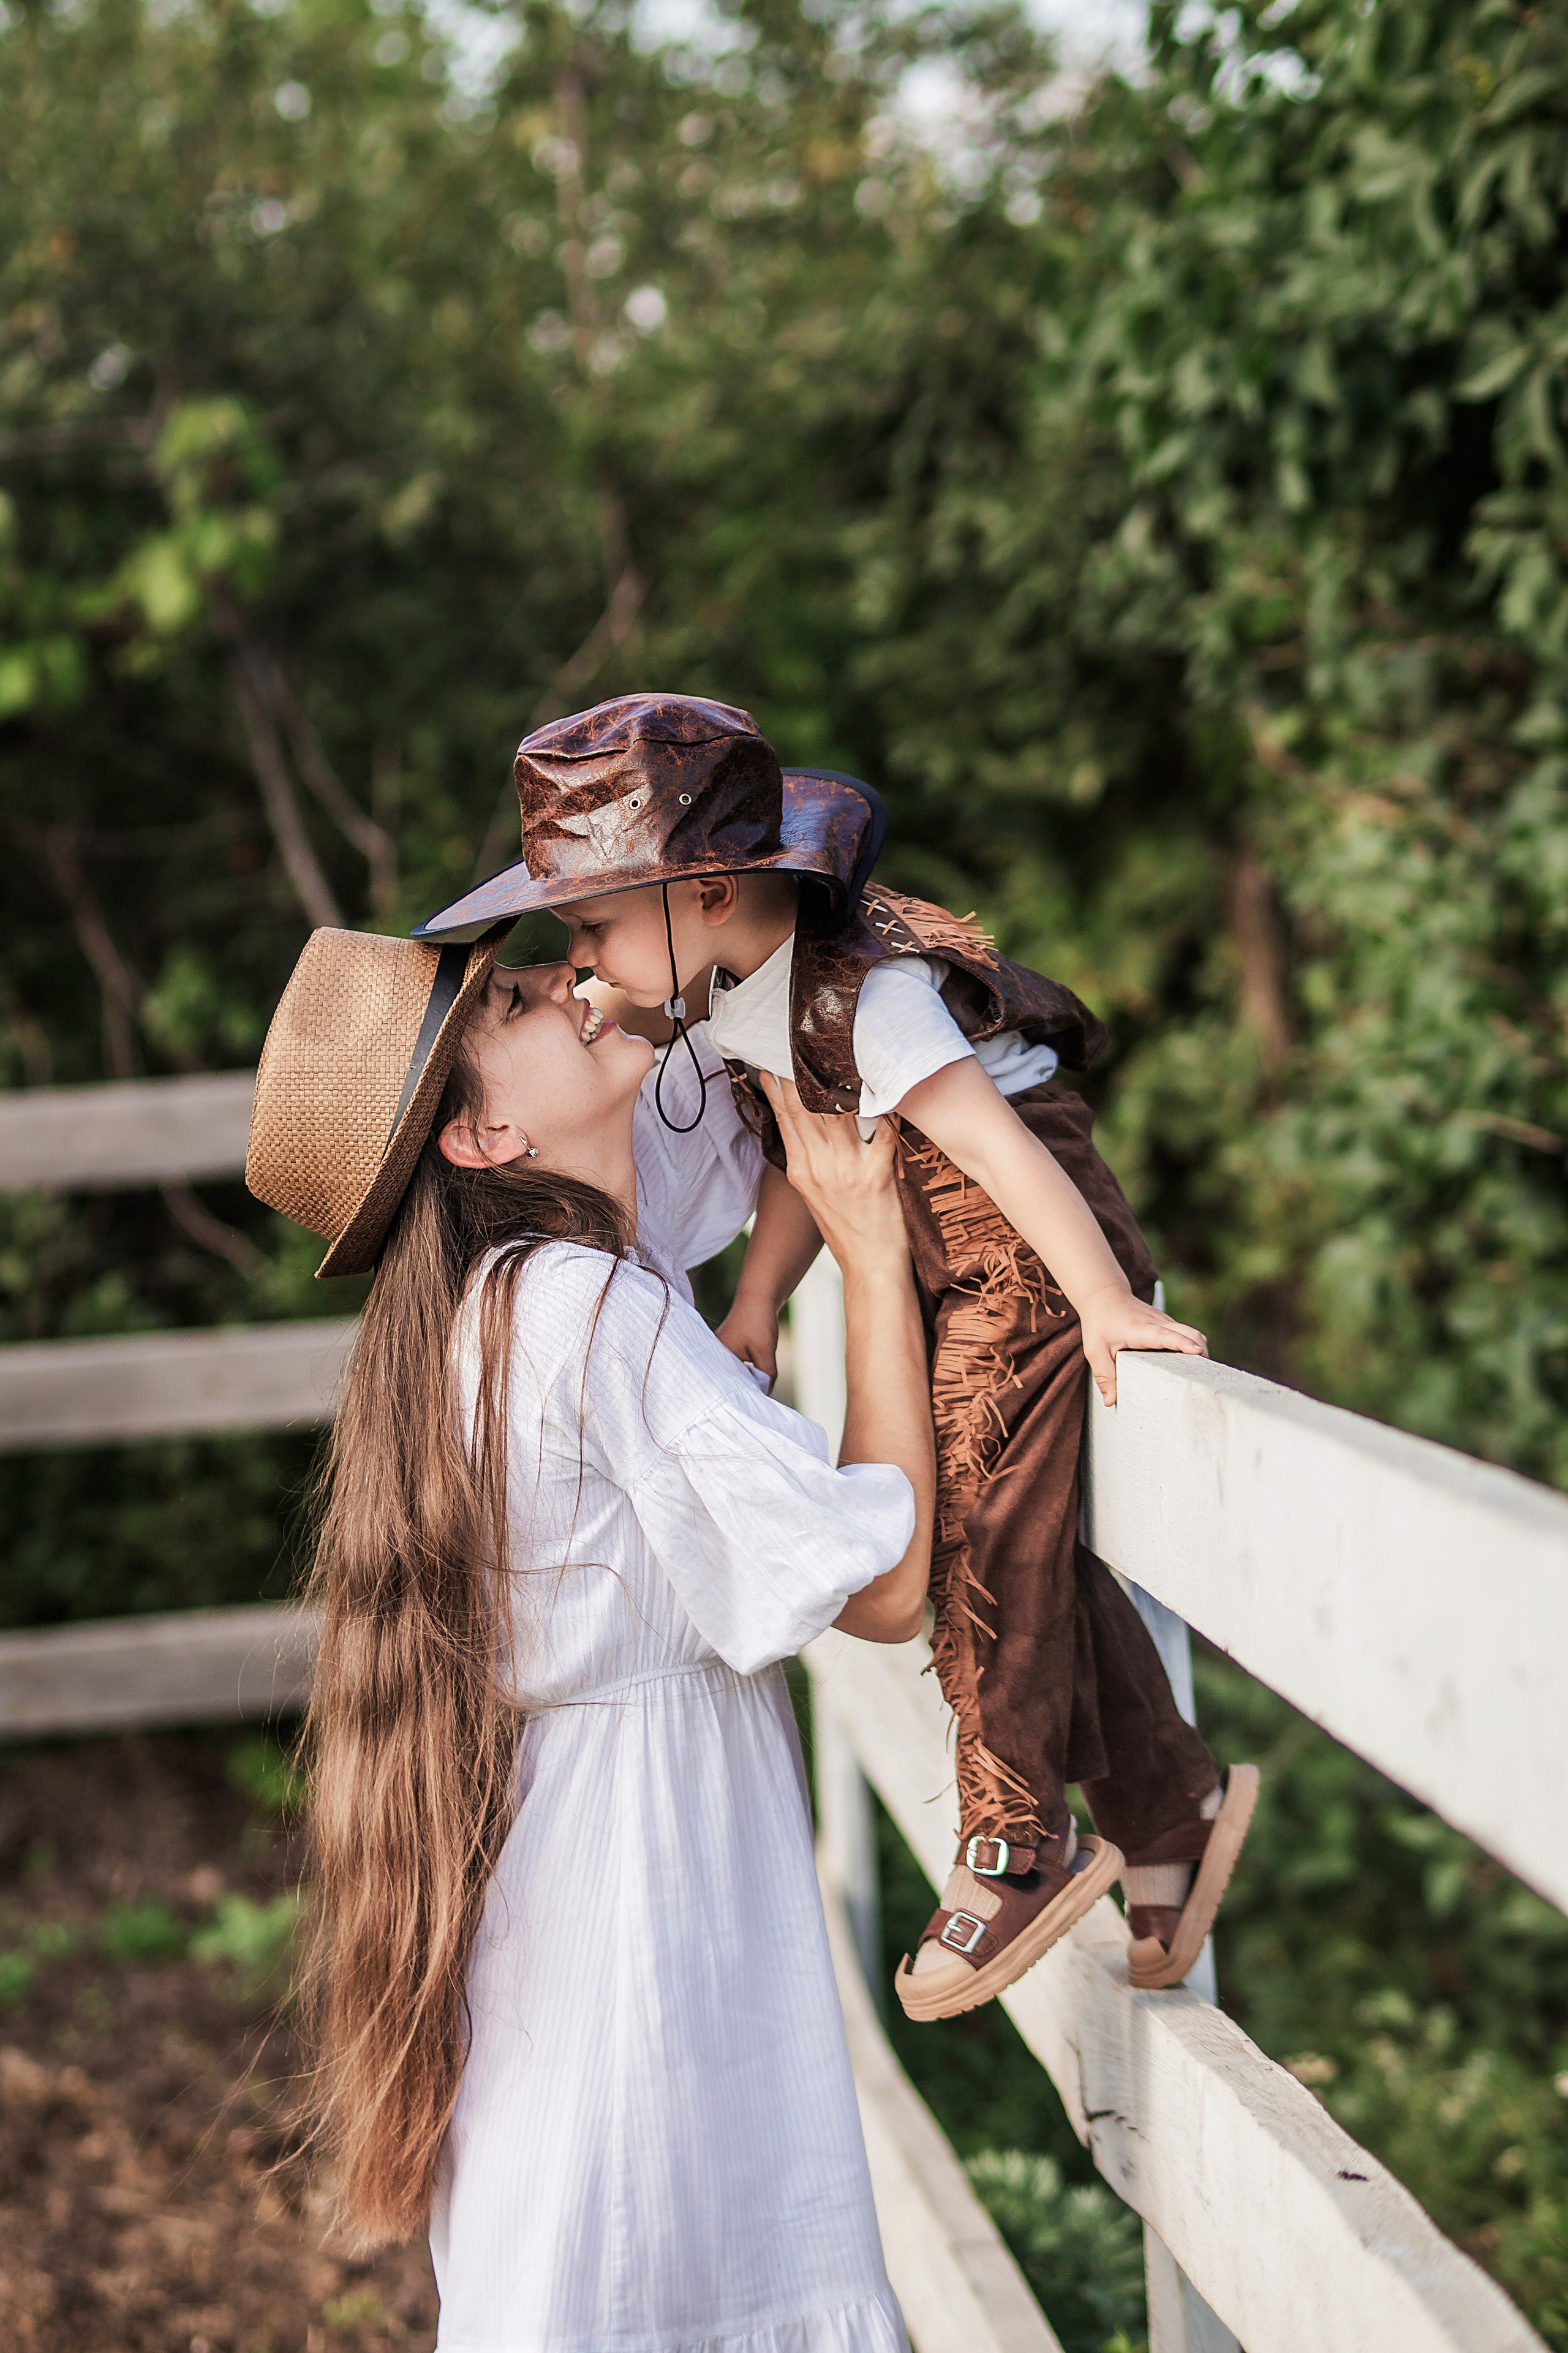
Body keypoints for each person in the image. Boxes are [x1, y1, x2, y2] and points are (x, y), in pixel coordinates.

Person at [415, 692, 1258, 2023]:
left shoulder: (864, 994)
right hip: (936, 1240)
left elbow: (990, 1141)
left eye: (588, 928)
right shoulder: (740, 994)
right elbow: (807, 1161)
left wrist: (1099, 1296)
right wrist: (753, 1302)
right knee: (1027, 1529)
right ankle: (1167, 1802)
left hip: (1019, 1238)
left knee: (977, 1517)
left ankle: (1018, 1836)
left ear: (700, 893)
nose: (577, 966)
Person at [244, 924, 938, 2352]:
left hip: (576, 1861)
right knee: (647, 2261)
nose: (568, 986)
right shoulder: (590, 1310)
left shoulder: (514, 1298)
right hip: (644, 1887)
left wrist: (675, 939)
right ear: (488, 1130)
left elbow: (706, 1045)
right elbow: (881, 1591)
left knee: (588, 2259)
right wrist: (870, 1259)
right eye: (513, 1001)